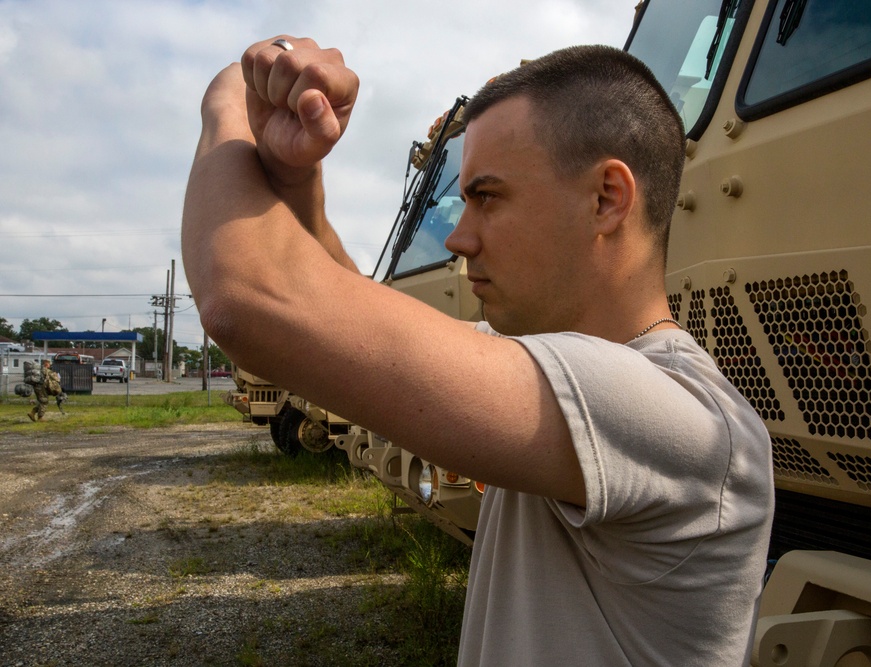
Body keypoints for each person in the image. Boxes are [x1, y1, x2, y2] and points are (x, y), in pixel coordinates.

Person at [182, 36, 774, 665]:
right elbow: (340, 313)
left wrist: (228, 99)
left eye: (487, 197)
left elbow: (249, 299)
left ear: (606, 198)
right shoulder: (566, 378)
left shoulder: (674, 413)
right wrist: (295, 174)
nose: (460, 239)